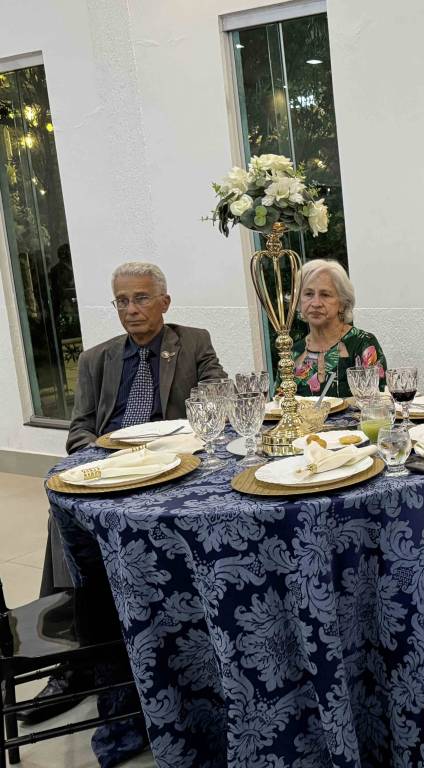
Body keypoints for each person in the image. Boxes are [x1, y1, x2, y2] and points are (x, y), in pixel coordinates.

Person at [30, 261, 226, 724]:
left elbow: (217, 399)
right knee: (63, 513)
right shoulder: (96, 359)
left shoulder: (193, 342)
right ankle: (77, 659)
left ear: (164, 302)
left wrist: (168, 444)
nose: (131, 309)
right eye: (122, 301)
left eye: (140, 298)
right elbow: (79, 429)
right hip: (112, 465)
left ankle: (164, 646)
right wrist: (101, 458)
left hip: (172, 465)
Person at [291, 258, 387, 398]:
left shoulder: (363, 344)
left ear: (342, 303)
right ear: (299, 301)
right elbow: (278, 405)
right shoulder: (293, 354)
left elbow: (378, 401)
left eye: (325, 295)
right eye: (308, 294)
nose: (316, 303)